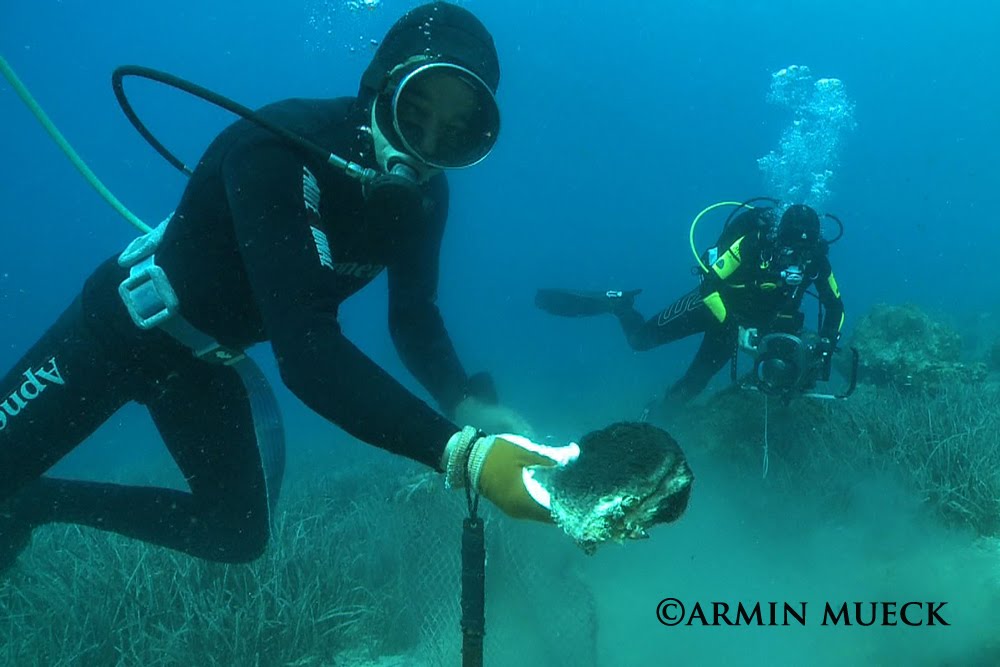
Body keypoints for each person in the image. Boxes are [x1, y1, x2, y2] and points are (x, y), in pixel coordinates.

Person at [0, 1, 575, 573]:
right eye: (413, 111)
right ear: (382, 85)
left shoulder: (428, 197)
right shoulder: (279, 147)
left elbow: (413, 313)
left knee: (235, 533)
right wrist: (464, 457)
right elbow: (307, 354)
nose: (422, 146)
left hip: (201, 365)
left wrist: (464, 400)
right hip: (113, 336)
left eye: (453, 135)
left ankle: (33, 502)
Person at [536, 202, 846, 412]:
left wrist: (826, 344)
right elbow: (710, 284)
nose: (796, 259)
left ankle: (658, 417)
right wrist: (733, 325)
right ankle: (618, 304)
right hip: (711, 307)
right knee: (640, 341)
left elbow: (835, 308)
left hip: (743, 327)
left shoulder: (816, 261)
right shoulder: (754, 244)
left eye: (804, 251)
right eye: (791, 248)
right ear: (779, 239)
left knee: (694, 384)